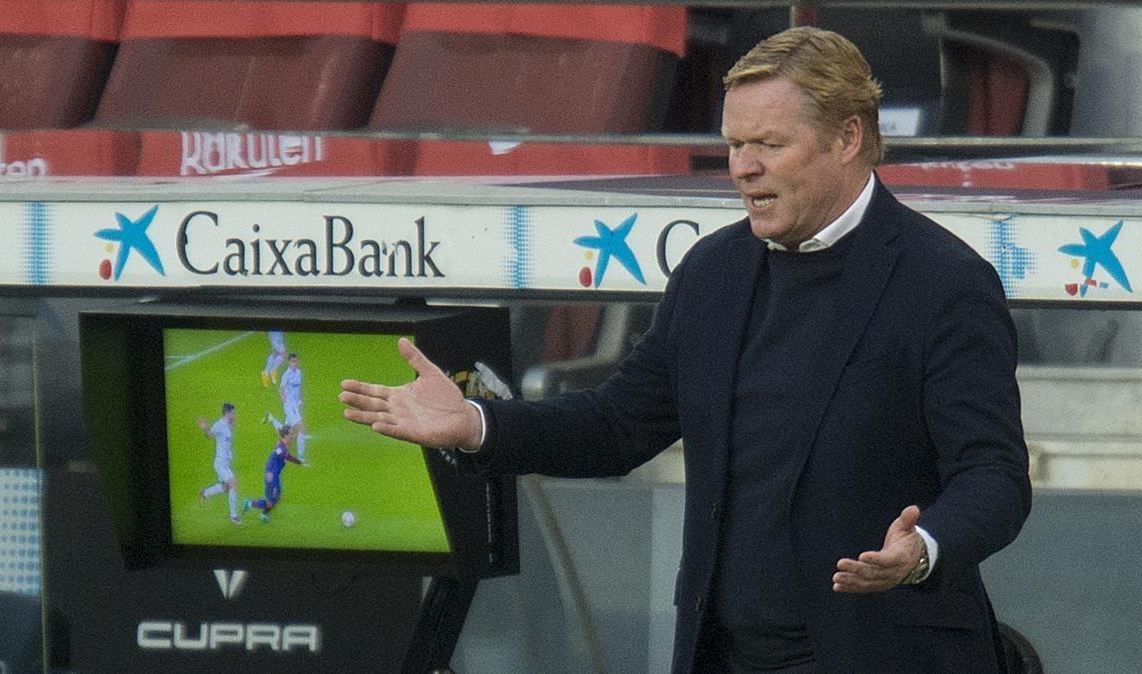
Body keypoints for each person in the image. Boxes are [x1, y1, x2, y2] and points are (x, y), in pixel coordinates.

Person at [339, 26, 1031, 674]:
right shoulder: (713, 272)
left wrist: (922, 551)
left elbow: (995, 476)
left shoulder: (944, 283)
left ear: (848, 137)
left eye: (768, 144)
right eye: (733, 145)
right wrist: (478, 422)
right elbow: (615, 427)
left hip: (884, 653)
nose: (743, 169)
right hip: (724, 654)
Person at [243, 424, 307, 523]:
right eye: (291, 434)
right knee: (270, 502)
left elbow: (275, 455)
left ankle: (263, 514)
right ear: (286, 436)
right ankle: (250, 503)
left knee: (277, 497)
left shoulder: (281, 444)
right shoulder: (282, 449)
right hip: (271, 478)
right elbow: (287, 456)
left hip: (274, 476)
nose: (293, 436)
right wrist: (300, 462)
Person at [197, 402, 241, 525]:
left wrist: (232, 421)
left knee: (225, 488)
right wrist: (204, 427)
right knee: (234, 484)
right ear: (227, 413)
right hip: (220, 463)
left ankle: (204, 493)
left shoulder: (227, 424)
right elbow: (209, 435)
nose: (234, 414)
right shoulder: (219, 425)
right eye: (233, 413)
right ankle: (233, 517)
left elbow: (231, 427)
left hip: (225, 463)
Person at [265, 352, 309, 460]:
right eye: (293, 361)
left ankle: (271, 418)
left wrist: (299, 401)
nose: (295, 363)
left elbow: (297, 389)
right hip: (289, 406)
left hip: (295, 405)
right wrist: (282, 396)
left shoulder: (298, 373)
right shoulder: (286, 374)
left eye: (296, 361)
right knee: (301, 429)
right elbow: (281, 388)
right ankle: (301, 457)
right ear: (289, 362)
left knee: (287, 431)